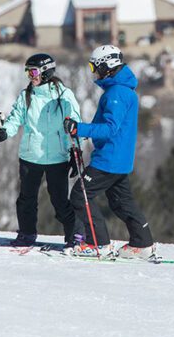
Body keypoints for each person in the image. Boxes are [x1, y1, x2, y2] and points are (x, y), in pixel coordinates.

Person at [63, 45, 155, 259]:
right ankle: (142, 244)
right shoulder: (122, 90)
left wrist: (80, 128)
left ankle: (98, 243)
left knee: (80, 195)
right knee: (121, 202)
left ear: (107, 66)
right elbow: (106, 126)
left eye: (94, 67)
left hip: (109, 159)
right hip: (118, 159)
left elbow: (110, 128)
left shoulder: (116, 93)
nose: (93, 72)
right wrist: (79, 130)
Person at [0, 53, 81, 247]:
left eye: (32, 71)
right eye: (27, 72)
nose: (30, 76)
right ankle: (26, 233)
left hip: (57, 157)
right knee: (26, 199)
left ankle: (74, 235)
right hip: (31, 156)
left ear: (46, 71)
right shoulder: (26, 96)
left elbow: (75, 124)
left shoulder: (64, 96)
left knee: (59, 201)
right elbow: (15, 119)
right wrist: (4, 132)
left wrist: (75, 151)